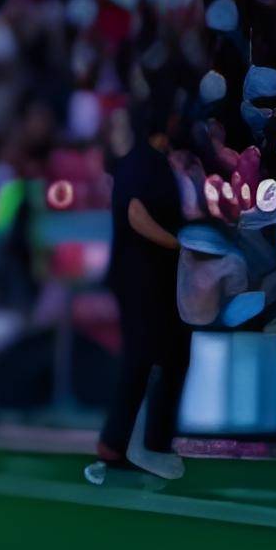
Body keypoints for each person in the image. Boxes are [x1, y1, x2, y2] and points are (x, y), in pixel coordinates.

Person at [89, 96, 190, 484]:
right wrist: (178, 244)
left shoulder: (147, 161)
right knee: (151, 358)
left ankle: (125, 442)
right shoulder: (144, 163)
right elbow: (136, 214)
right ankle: (136, 442)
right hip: (141, 279)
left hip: (146, 279)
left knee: (154, 358)